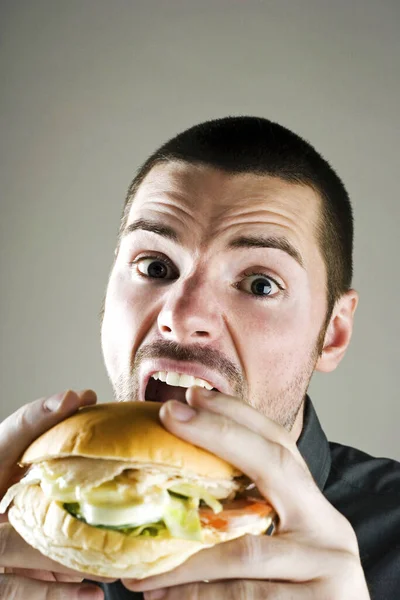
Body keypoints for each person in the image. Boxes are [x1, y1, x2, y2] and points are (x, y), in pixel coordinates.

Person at [1, 117, 399, 599]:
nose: (182, 315)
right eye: (155, 266)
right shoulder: (18, 524)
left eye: (260, 285)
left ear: (333, 334)